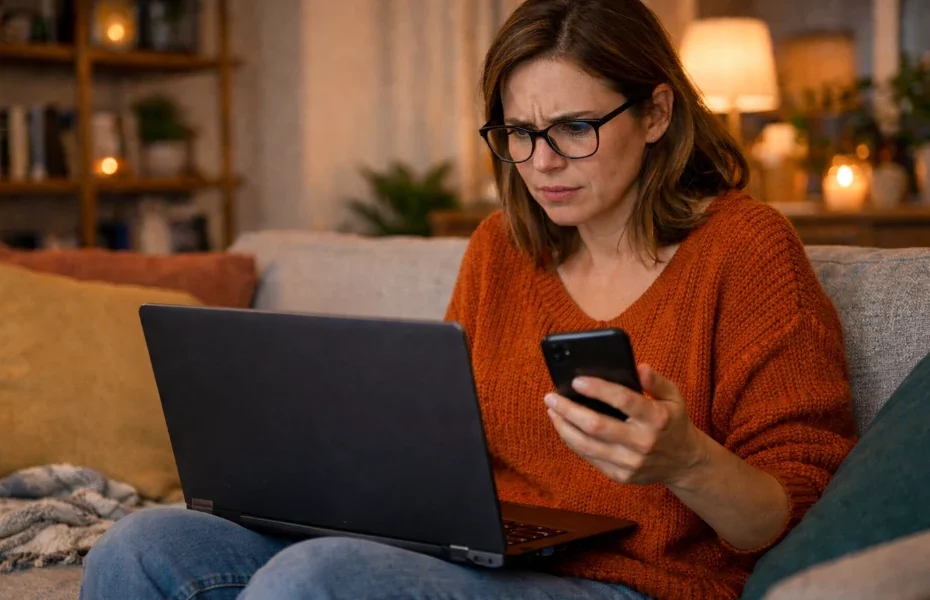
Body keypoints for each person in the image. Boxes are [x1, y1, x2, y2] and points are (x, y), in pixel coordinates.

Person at [79, 0, 858, 598]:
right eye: (517, 132)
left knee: (315, 581)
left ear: (656, 112)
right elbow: (445, 445)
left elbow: (788, 516)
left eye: (574, 127)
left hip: (635, 583)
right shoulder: (502, 250)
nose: (541, 162)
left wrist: (686, 461)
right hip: (486, 554)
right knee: (142, 545)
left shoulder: (746, 250)